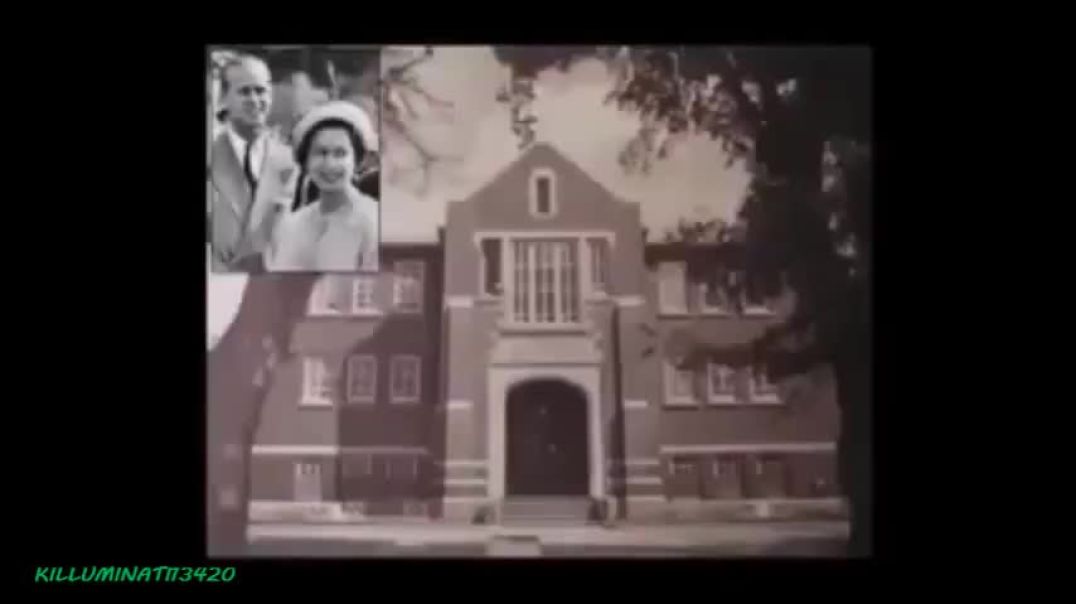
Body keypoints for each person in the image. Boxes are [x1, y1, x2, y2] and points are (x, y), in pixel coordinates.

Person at [259, 101, 379, 272]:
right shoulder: (291, 225)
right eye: (320, 153)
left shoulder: (372, 223)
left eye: (340, 153)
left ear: (357, 160)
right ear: (306, 161)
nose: (329, 164)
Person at [208, 54, 297, 273]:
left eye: (261, 90)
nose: (255, 100)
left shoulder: (291, 161)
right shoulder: (211, 154)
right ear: (225, 98)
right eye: (244, 91)